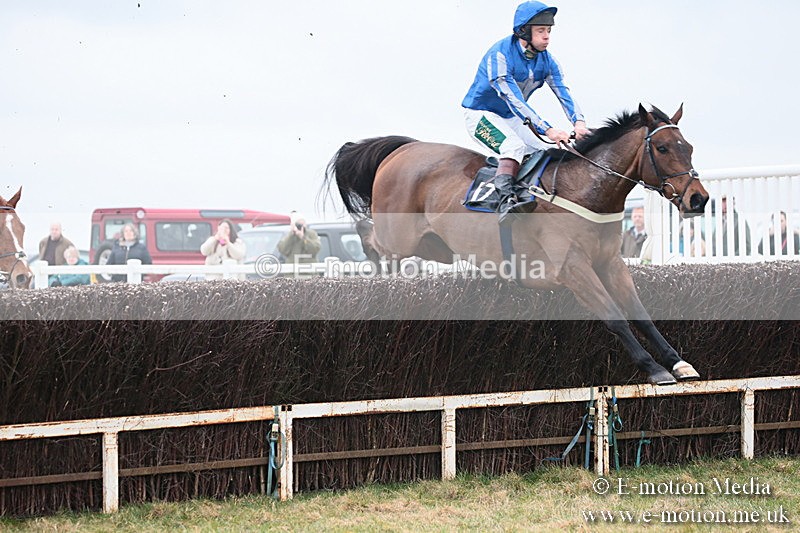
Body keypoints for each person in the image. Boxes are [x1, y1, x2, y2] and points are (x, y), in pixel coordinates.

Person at [462, 1, 590, 224]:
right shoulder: (499, 55)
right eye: (541, 31)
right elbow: (514, 100)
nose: (547, 36)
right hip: (481, 115)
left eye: (549, 30)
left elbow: (563, 92)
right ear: (523, 31)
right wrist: (548, 129)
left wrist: (579, 123)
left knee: (544, 150)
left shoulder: (548, 61)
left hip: (512, 118)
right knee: (514, 146)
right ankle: (505, 201)